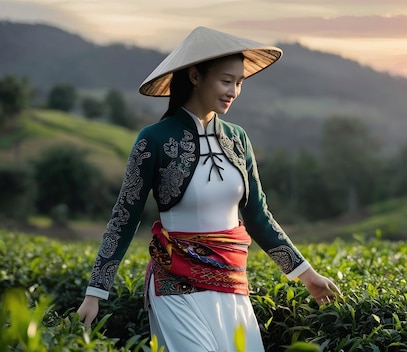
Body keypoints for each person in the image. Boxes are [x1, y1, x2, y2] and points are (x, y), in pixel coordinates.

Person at [77, 26, 341, 352]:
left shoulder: (238, 139)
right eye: (226, 80)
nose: (234, 91)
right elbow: (123, 218)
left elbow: (258, 215)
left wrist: (307, 276)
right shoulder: (154, 139)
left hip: (232, 285)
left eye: (240, 83)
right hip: (174, 285)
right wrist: (95, 293)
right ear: (195, 76)